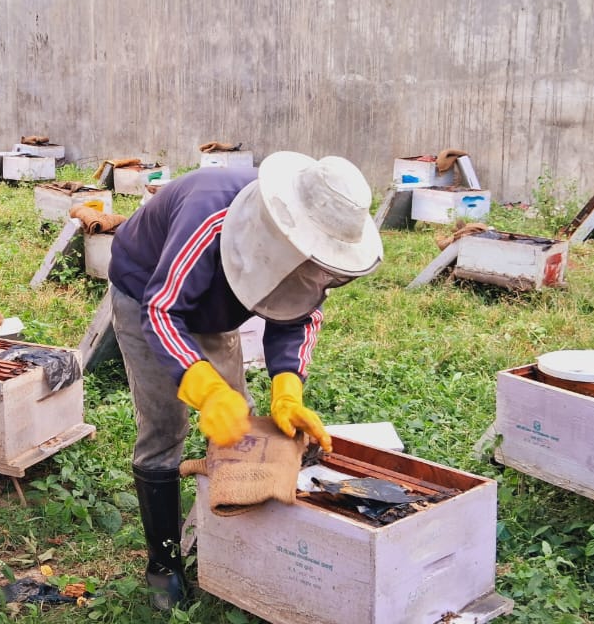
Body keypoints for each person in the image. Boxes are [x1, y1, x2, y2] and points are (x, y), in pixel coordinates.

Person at [107, 151, 385, 610]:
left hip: (211, 309)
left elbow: (296, 315)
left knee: (240, 423)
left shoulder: (307, 251)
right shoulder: (209, 214)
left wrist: (287, 390)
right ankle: (163, 562)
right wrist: (205, 387)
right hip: (147, 293)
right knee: (164, 427)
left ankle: (233, 540)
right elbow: (162, 310)